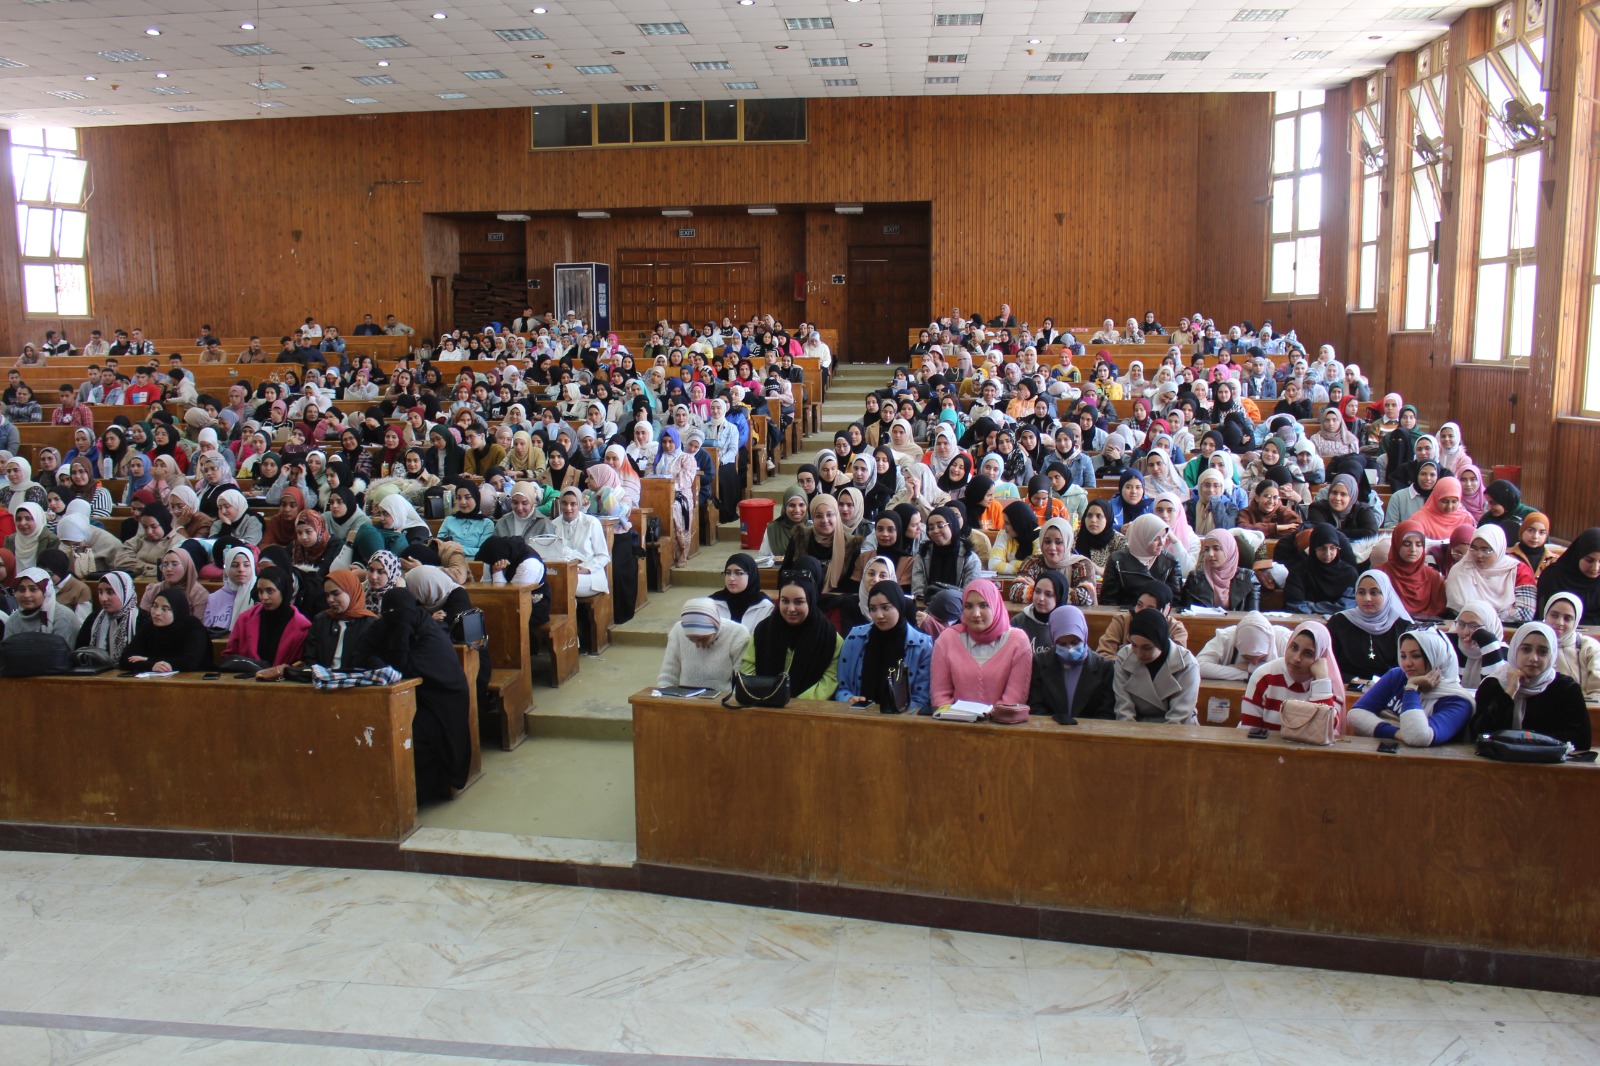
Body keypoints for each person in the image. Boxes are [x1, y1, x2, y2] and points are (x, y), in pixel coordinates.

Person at [373, 586, 472, 801]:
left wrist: (398, 643)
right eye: (388, 613)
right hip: (416, 696)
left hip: (443, 700)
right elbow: (370, 653)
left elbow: (403, 667)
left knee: (415, 734)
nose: (393, 618)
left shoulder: (430, 634)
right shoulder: (392, 625)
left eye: (397, 613)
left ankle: (418, 792)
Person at [1471, 623, 1592, 751]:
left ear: (1551, 656)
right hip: (1498, 760)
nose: (1533, 658)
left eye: (1543, 652)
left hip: (1547, 761)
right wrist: (1509, 692)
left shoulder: (1566, 688)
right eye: (1526, 649)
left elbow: (1581, 740)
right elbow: (1479, 734)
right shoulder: (1493, 684)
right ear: (1515, 650)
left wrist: (1528, 743)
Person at [930, 578, 1032, 713]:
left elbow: (1014, 699)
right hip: (954, 722)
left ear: (995, 605)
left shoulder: (1018, 641)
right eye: (968, 606)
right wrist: (956, 718)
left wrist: (988, 719)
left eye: (984, 605)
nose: (976, 614)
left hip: (1001, 723)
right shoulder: (947, 640)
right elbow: (940, 696)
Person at [835, 580, 933, 714]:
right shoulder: (855, 638)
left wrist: (896, 712)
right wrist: (848, 699)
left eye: (885, 608)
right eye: (873, 609)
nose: (879, 615)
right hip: (857, 716)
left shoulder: (922, 645)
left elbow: (921, 698)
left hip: (902, 719)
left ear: (899, 605)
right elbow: (842, 688)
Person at [739, 575, 842, 700]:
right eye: (785, 601)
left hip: (808, 708)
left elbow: (829, 681)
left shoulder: (829, 637)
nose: (791, 609)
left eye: (799, 602)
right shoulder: (764, 630)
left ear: (810, 601)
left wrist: (791, 703)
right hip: (763, 703)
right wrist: (766, 696)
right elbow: (748, 670)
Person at [1239, 620, 1343, 733]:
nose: (1296, 658)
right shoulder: (1264, 676)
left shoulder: (1328, 683)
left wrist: (1321, 681)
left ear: (1320, 656)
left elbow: (1326, 730)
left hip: (1309, 745)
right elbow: (1250, 730)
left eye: (1307, 653)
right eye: (1294, 647)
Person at [1026, 604, 1115, 723]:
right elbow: (1036, 705)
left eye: (1075, 642)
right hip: (1050, 729)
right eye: (1062, 644)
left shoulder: (1104, 667)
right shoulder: (1039, 663)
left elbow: (1106, 712)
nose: (1070, 649)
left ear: (1083, 635)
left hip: (1091, 731)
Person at [1112, 608, 1200, 724]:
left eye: (1147, 648)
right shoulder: (1124, 657)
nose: (1139, 653)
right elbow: (1123, 708)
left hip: (1179, 730)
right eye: (1134, 645)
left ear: (1161, 642)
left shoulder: (1187, 664)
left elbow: (1179, 718)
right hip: (1135, 726)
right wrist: (1130, 733)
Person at [1329, 571, 1414, 681]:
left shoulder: (1403, 627)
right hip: (1346, 685)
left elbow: (1407, 668)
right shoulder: (1339, 622)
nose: (1367, 598)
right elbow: (1329, 664)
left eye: (1374, 593)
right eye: (1361, 592)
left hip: (1389, 687)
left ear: (1386, 594)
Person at [1445, 524, 1534, 624]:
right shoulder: (1460, 570)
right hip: (1466, 627)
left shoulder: (1518, 570)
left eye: (1486, 550)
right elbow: (1456, 610)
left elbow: (1525, 613)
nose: (1479, 555)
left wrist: (1486, 619)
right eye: (1474, 549)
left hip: (1507, 628)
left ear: (1498, 548)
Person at [657, 597, 751, 691]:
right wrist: (665, 695)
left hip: (724, 698)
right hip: (685, 697)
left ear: (715, 627)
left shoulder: (738, 634)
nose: (698, 645)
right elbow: (667, 676)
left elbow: (741, 683)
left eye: (703, 639)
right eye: (691, 639)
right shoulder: (678, 631)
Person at [224, 567, 312, 668]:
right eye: (260, 591)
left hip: (284, 677)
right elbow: (229, 656)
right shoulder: (245, 619)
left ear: (283, 590)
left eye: (270, 591)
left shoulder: (302, 627)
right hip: (247, 676)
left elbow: (302, 665)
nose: (264, 597)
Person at [117, 586, 212, 674]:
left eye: (165, 609)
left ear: (177, 610)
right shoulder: (149, 627)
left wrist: (148, 660)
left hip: (193, 680)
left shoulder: (193, 627)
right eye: (155, 606)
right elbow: (125, 660)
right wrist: (152, 666)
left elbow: (189, 662)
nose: (157, 613)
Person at [1099, 513, 1181, 607]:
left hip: (1160, 614)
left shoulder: (1171, 562)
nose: (1161, 543)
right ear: (1141, 538)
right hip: (1126, 613)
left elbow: (1175, 604)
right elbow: (1108, 601)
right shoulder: (1117, 560)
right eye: (1155, 539)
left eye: (1163, 536)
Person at [1284, 524, 1359, 614]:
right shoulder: (1299, 572)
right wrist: (1333, 608)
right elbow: (1294, 605)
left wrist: (1311, 607)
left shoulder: (1349, 573)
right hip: (1306, 620)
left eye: (1333, 548)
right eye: (1322, 548)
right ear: (1313, 548)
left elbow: (1348, 605)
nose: (1328, 554)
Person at [1378, 521, 1447, 619]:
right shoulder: (1380, 573)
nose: (1413, 549)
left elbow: (1440, 608)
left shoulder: (1432, 576)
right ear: (1396, 544)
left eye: (1418, 544)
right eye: (1406, 544)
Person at [74, 571, 147, 664]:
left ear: (124, 592)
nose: (103, 598)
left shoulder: (142, 619)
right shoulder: (94, 618)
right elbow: (79, 651)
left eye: (110, 592)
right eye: (100, 592)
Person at [550, 487, 611, 597]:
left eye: (573, 504)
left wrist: (587, 569)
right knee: (553, 581)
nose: (568, 508)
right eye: (564, 503)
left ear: (579, 504)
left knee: (564, 583)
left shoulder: (591, 522)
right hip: (564, 572)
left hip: (591, 575)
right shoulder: (554, 524)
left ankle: (571, 608)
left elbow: (604, 556)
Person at [1196, 611, 1290, 681]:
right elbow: (1199, 666)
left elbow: (1292, 673)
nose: (1255, 663)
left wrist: (1248, 667)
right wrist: (1246, 675)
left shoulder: (1284, 639)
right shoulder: (1226, 637)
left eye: (1262, 658)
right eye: (1247, 658)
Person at [1182, 529, 1258, 610]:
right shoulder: (1195, 578)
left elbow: (1253, 615)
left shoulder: (1248, 578)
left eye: (1216, 548)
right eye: (1207, 549)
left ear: (1229, 549)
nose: (1210, 554)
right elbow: (1185, 613)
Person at [1543, 591, 1600, 699]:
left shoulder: (1590, 648)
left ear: (1576, 622)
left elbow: (1597, 694)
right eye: (1554, 615)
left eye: (1567, 618)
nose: (1559, 622)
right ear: (1545, 615)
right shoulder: (1532, 643)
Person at [1537, 527, 1600, 624]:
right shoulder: (1554, 576)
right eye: (1589, 560)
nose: (1595, 567)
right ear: (1578, 555)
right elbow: (1542, 615)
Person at [1, 567, 80, 643]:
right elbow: (7, 650)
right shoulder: (13, 620)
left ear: (46, 591)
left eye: (33, 589)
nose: (26, 595)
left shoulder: (63, 617)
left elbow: (62, 650)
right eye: (21, 590)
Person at [708, 552, 772, 631]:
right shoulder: (713, 602)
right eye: (728, 573)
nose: (731, 578)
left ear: (751, 575)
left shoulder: (765, 606)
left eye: (738, 573)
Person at [139, 548, 210, 617]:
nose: (169, 569)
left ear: (186, 566)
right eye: (165, 565)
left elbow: (198, 624)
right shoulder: (153, 590)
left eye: (175, 564)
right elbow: (142, 620)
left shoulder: (199, 594)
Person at [204, 545, 257, 633]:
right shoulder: (214, 598)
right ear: (227, 568)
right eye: (235, 565)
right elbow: (207, 630)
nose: (241, 569)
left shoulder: (258, 596)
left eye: (246, 565)